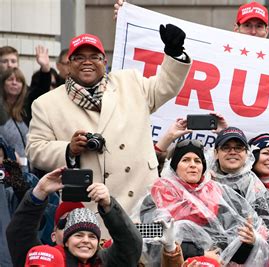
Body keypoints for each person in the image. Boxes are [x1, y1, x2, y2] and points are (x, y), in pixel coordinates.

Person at [26, 28, 192, 216]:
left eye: (94, 57)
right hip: (87, 207)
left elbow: (166, 86)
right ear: (68, 65)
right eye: (79, 57)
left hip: (139, 201)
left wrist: (175, 52)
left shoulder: (130, 81)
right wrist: (68, 149)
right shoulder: (46, 104)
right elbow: (35, 149)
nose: (87, 62)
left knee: (142, 245)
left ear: (104, 62)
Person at [141, 139, 269, 266]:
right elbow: (151, 242)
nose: (193, 165)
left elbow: (233, 253)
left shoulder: (219, 196)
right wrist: (200, 253)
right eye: (185, 160)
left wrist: (248, 242)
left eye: (197, 161)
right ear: (175, 167)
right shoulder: (156, 195)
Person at [6, 167, 142, 266]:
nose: (86, 240)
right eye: (78, 235)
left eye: (92, 236)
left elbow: (130, 245)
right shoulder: (44, 259)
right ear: (65, 239)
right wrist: (40, 192)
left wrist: (108, 205)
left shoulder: (103, 262)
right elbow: (19, 235)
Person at [211, 126, 269, 254]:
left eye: (239, 148)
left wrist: (255, 239)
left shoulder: (256, 189)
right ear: (216, 153)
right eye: (226, 147)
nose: (233, 152)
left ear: (246, 153)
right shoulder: (202, 178)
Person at [0, 67, 29, 169]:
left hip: (29, 169)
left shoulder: (26, 109)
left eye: (18, 80)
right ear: (3, 84)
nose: (14, 83)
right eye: (10, 79)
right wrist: (9, 151)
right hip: (6, 169)